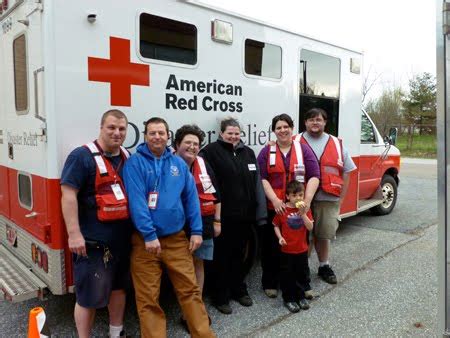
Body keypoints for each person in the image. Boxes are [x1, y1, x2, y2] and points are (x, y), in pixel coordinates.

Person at [122, 117, 214, 338]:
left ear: (167, 136)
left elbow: (191, 199)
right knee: (148, 299)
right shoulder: (135, 163)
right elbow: (137, 202)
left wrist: (197, 231)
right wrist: (149, 234)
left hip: (176, 239)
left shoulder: (178, 164)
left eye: (161, 133)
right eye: (152, 133)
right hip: (145, 242)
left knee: (190, 291)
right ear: (145, 136)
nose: (157, 137)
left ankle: (203, 334)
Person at [60, 109, 132, 338]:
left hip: (121, 240)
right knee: (87, 297)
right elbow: (68, 194)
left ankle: (116, 332)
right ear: (101, 127)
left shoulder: (127, 156)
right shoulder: (81, 156)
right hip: (92, 244)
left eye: (122, 129)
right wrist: (74, 234)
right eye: (111, 127)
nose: (117, 133)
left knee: (119, 289)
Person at [200, 117, 267, 315]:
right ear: (221, 133)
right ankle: (220, 295)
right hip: (222, 216)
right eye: (229, 133)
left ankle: (239, 290)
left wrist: (259, 212)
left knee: (240, 256)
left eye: (236, 133)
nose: (233, 136)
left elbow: (256, 183)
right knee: (221, 257)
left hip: (245, 217)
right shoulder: (210, 152)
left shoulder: (248, 153)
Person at [257, 113, 320, 299]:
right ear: (274, 131)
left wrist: (306, 202)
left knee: (300, 248)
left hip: (298, 209)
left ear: (292, 129)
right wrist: (275, 201)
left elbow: (314, 175)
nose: (282, 130)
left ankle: (303, 283)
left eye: (286, 127)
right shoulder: (266, 151)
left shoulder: (303, 150)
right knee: (271, 247)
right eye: (278, 128)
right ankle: (270, 282)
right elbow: (262, 178)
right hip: (275, 208)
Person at [294, 108, 357, 284]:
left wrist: (341, 200)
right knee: (300, 235)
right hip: (301, 199)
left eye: (319, 120)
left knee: (323, 235)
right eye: (311, 119)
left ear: (324, 122)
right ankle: (301, 269)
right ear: (305, 123)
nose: (315, 123)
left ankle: (324, 266)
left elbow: (347, 171)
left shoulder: (337, 143)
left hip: (328, 199)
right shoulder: (295, 141)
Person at [174, 124, 221, 329]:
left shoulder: (203, 163)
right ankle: (186, 309)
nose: (192, 147)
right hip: (177, 226)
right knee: (181, 270)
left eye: (196, 144)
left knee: (198, 264)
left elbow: (216, 194)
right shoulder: (168, 164)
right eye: (188, 143)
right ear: (177, 145)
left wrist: (218, 220)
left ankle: (194, 309)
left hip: (203, 223)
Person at [273, 180, 314, 313]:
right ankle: (289, 299)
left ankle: (301, 297)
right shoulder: (283, 210)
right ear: (288, 196)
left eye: (301, 195)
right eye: (294, 195)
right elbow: (275, 225)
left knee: (301, 274)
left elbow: (310, 227)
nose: (298, 198)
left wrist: (302, 214)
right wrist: (280, 237)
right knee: (287, 275)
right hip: (287, 250)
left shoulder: (305, 210)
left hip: (301, 249)